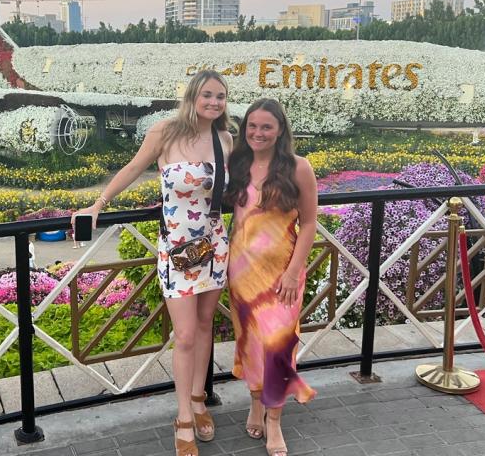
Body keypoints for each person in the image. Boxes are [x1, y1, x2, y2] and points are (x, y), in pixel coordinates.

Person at [74, 70, 232, 456]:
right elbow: (132, 168)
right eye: (207, 95)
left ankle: (198, 400)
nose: (214, 102)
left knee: (206, 323)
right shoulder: (164, 132)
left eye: (221, 97)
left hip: (213, 244)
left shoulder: (225, 139)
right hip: (177, 248)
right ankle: (182, 417)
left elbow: (245, 183)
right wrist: (99, 204)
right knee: (186, 335)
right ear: (193, 95)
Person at [224, 98, 317, 456]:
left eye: (266, 127)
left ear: (280, 130)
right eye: (252, 126)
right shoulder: (239, 162)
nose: (258, 133)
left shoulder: (298, 167)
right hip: (241, 273)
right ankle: (255, 404)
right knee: (249, 343)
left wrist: (294, 271)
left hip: (282, 275)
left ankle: (275, 422)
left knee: (279, 347)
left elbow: (309, 223)